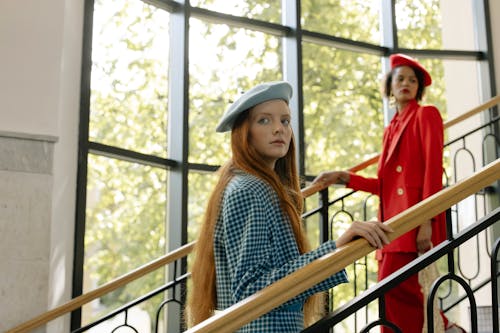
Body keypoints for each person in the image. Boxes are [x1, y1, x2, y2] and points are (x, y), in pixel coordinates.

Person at [185, 81, 393, 332]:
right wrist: (335, 248)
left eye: (285, 121)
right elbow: (251, 289)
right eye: (264, 120)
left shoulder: (257, 186)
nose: (278, 129)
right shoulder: (250, 189)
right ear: (244, 132)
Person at [311, 54, 465, 333]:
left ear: (419, 88)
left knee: (400, 295)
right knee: (396, 297)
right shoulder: (390, 129)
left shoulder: (425, 115)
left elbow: (432, 171)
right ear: (390, 87)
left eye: (412, 80)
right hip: (389, 226)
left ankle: (447, 328)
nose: (406, 83)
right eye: (400, 79)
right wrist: (344, 177)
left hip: (412, 222)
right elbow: (384, 186)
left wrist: (426, 222)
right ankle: (448, 329)